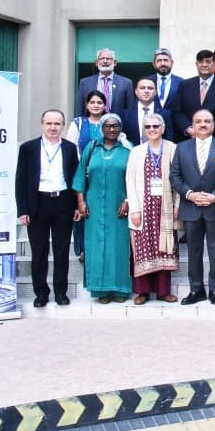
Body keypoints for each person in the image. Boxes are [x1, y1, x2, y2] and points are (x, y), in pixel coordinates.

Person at [16, 110, 81, 307]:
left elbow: (74, 178)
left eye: (57, 124)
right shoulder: (28, 148)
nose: (53, 127)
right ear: (42, 124)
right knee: (39, 250)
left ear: (63, 126)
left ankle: (61, 292)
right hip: (38, 203)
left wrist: (76, 205)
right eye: (49, 123)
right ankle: (41, 293)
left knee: (61, 250)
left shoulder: (70, 148)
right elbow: (20, 180)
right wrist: (22, 209)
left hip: (63, 202)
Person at [169, 109, 215, 306]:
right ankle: (196, 290)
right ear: (192, 125)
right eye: (198, 121)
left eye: (207, 121)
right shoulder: (181, 147)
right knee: (193, 251)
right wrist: (189, 194)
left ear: (213, 124)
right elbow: (174, 176)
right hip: (191, 207)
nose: (203, 124)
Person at [72, 114, 132, 303]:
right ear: (101, 128)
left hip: (119, 207)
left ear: (120, 128)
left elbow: (135, 179)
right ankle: (100, 290)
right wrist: (81, 202)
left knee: (118, 247)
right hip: (93, 207)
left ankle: (120, 289)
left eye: (115, 126)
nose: (112, 129)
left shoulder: (128, 150)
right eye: (108, 126)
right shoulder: (91, 149)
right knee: (96, 246)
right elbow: (80, 176)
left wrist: (128, 201)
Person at [125, 112, 179, 305]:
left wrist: (177, 204)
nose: (152, 129)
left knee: (165, 248)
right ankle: (143, 292)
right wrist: (135, 209)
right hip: (143, 208)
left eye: (156, 126)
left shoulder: (173, 148)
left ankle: (164, 292)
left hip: (165, 207)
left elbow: (179, 178)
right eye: (148, 126)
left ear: (163, 128)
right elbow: (130, 181)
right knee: (142, 248)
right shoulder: (136, 151)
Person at [65, 90, 108, 260]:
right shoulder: (78, 123)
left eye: (99, 102)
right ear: (87, 105)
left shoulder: (110, 122)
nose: (96, 105)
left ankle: (100, 247)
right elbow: (70, 148)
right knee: (82, 210)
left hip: (105, 173)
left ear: (105, 105)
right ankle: (82, 249)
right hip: (82, 172)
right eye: (92, 102)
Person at [171, 49, 215, 141]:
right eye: (201, 62)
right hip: (189, 138)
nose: (204, 65)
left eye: (208, 62)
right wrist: (189, 129)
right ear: (196, 65)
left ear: (214, 64)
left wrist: (209, 130)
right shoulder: (185, 85)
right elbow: (177, 111)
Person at [76, 48, 134, 115]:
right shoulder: (85, 83)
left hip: (117, 121)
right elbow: (79, 109)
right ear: (96, 63)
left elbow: (130, 109)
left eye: (108, 58)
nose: (105, 61)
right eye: (102, 58)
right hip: (92, 121)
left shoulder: (126, 83)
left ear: (115, 63)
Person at [121, 77, 173, 144]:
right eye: (142, 88)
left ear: (155, 92)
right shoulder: (125, 115)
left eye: (150, 88)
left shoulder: (165, 114)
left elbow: (169, 139)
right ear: (136, 92)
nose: (146, 91)